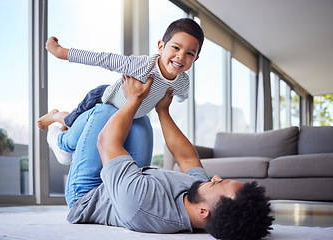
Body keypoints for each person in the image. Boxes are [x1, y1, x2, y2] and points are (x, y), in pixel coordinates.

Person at [57, 75, 274, 240]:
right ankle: (68, 125)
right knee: (141, 119)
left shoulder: (142, 204)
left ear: (203, 212)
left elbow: (106, 142)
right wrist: (163, 111)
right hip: (131, 180)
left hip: (87, 194)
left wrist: (133, 99)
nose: (215, 177)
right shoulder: (199, 196)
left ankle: (60, 142)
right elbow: (187, 159)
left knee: (106, 111)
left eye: (219, 183)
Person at [38, 17, 204, 133]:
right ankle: (54, 116)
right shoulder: (143, 66)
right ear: (161, 46)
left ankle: (63, 123)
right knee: (71, 122)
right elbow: (103, 59)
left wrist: (174, 99)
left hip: (130, 115)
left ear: (196, 59)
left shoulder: (182, 82)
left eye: (189, 53)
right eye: (176, 48)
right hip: (103, 97)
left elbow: (182, 96)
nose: (181, 56)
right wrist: (61, 52)